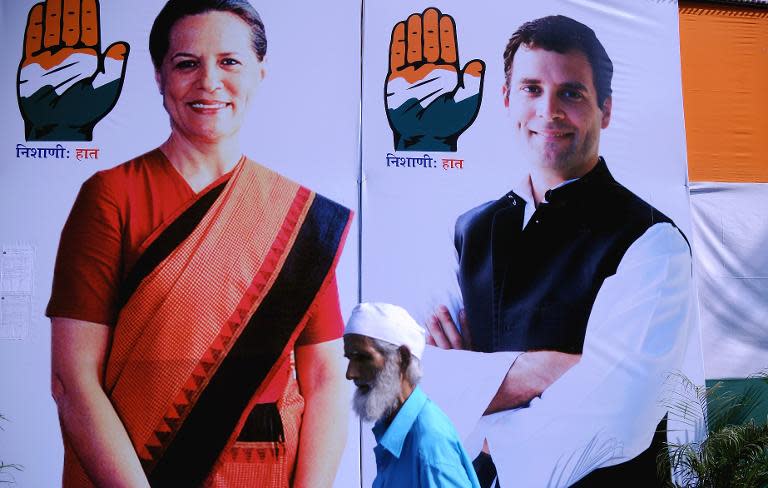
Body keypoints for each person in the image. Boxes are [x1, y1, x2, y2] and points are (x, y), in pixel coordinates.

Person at [46, 1, 351, 486]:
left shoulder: (298, 219)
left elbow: (326, 379)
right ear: (160, 77)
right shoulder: (111, 198)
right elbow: (72, 379)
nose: (209, 81)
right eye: (187, 63)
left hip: (265, 472)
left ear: (260, 73)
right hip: (136, 470)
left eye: (230, 62)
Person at [424, 15, 692, 487]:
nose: (548, 111)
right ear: (506, 100)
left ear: (605, 110)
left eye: (571, 92)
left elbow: (616, 419)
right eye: (531, 89)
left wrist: (479, 413)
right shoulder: (471, 230)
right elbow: (420, 377)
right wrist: (549, 371)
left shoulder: (652, 240)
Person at [344, 303, 481, 488]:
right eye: (349, 358)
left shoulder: (428, 444)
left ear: (402, 358)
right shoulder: (398, 431)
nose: (351, 373)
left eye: (362, 358)